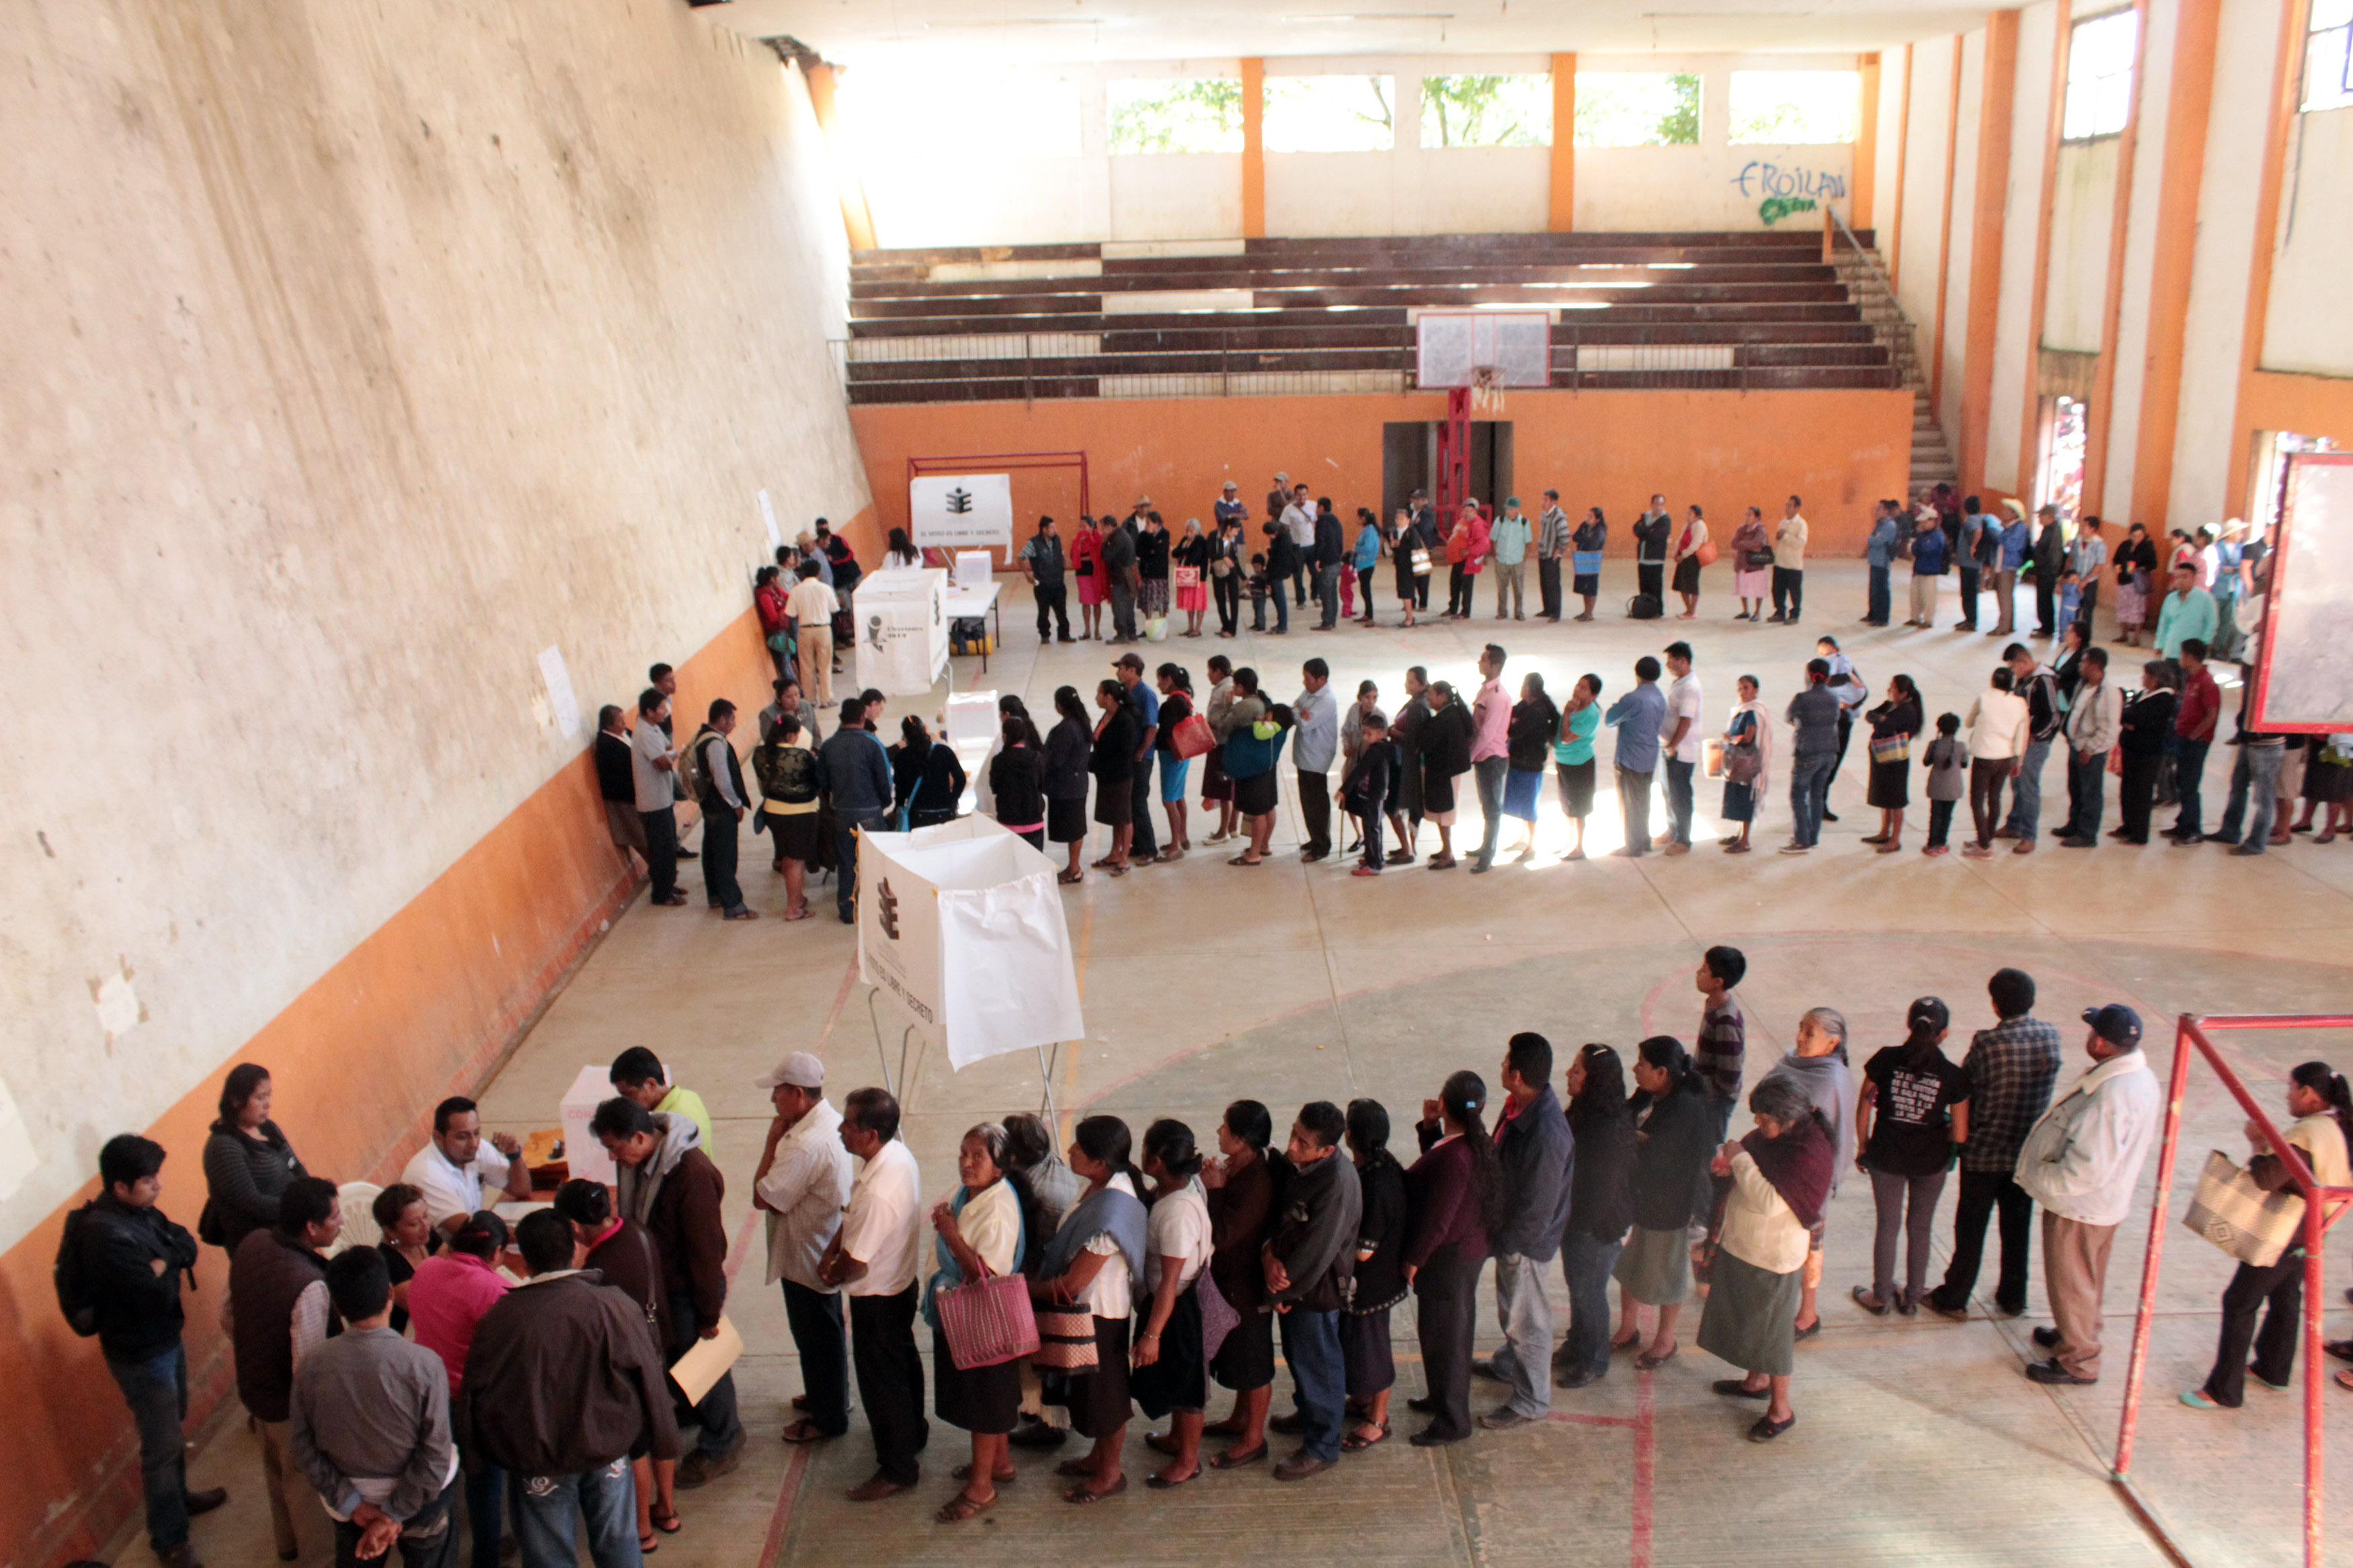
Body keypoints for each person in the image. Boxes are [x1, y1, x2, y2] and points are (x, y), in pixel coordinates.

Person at [456, 1210, 679, 1568]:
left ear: (524, 1262)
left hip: (537, 1459)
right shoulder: (614, 1307)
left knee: (548, 1554)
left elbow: (476, 1395)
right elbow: (650, 1377)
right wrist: (664, 1438)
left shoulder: (499, 1319)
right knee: (618, 1543)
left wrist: (478, 1457)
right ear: (576, 1250)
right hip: (606, 1449)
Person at [75, 1136, 224, 1568]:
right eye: (147, 1180)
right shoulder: (105, 1233)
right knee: (160, 1446)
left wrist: (164, 1261)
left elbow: (185, 1244)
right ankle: (169, 1540)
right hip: (141, 1355)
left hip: (164, 1341)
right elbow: (152, 1294)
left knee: (171, 1432)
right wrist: (164, 1265)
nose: (158, 1186)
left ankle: (178, 1501)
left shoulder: (138, 1213)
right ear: (120, 1188)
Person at [589, 1096, 742, 1487]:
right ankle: (692, 1411)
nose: (612, 1158)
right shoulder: (641, 1163)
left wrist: (709, 1313)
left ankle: (723, 1441)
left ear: (640, 1137)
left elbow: (706, 1252)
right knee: (675, 1356)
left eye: (614, 1148)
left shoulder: (690, 1174)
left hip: (691, 1287)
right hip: (662, 1285)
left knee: (704, 1365)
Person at [2183, 1063, 2353, 1409]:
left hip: (2286, 1234)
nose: (2286, 1095)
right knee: (2286, 1297)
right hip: (2314, 1231)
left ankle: (2223, 1390)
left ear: (2307, 1093)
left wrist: (2260, 1143)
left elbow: (2266, 1178)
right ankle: (2272, 1369)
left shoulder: (2307, 1136)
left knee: (2239, 1302)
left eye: (2291, 1089)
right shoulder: (2337, 1125)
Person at [2017, 1004, 2162, 1385]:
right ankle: (2075, 1333)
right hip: (2104, 1204)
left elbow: (2087, 1168)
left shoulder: (2112, 1096)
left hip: (2080, 1207)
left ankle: (2079, 1360)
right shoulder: (2138, 1078)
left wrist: (2045, 1177)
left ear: (2099, 1041)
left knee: (2072, 1281)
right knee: (2086, 1277)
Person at [288, 1249, 461, 1568]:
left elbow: (302, 1445)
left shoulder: (311, 1365)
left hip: (351, 1503)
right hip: (420, 1502)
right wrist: (393, 1514)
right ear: (390, 1294)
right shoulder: (424, 1364)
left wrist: (353, 1504)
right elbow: (435, 1453)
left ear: (337, 1305)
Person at [1921, 969, 2064, 1320]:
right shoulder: (2050, 1036)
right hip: (2025, 1152)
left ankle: (1955, 1296)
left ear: (1995, 1005)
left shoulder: (1987, 1043)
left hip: (1984, 1152)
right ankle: (2013, 1296)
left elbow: (1966, 1088)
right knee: (2017, 1227)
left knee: (1971, 1229)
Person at [1696, 1076, 1833, 1442]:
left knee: (1773, 1337)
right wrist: (1732, 1163)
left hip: (1774, 1257)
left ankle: (1781, 1409)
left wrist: (1739, 1159)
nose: (1758, 1125)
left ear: (1788, 1118)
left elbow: (1771, 1201)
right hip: (1745, 1247)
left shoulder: (1809, 1151)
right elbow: (1752, 1158)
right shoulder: (1777, 1137)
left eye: (1764, 1118)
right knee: (1750, 1322)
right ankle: (1756, 1381)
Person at [550, 1182, 676, 1551]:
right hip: (656, 1345)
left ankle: (641, 1531)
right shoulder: (635, 1230)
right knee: (661, 1428)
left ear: (574, 1228)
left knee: (635, 1444)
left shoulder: (601, 1267)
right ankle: (667, 1510)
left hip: (628, 1360)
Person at [1030, 1116, 1149, 1502]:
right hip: (1086, 1313)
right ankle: (1097, 1459)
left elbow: (1072, 1284)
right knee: (1092, 1394)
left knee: (1106, 1399)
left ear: (1100, 1162)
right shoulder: (1100, 1186)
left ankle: (1110, 1474)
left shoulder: (1112, 1211)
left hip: (1099, 1316)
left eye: (1078, 1148)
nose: (1069, 1151)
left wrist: (1023, 1289)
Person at [816, 1087, 928, 1500]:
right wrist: (833, 1247)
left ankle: (898, 1469)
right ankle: (913, 1433)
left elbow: (856, 1262)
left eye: (849, 1124)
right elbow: (854, 1222)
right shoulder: (896, 1156)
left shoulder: (880, 1189)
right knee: (904, 1367)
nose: (841, 1130)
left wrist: (831, 1272)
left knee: (883, 1386)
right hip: (899, 1284)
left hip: (877, 1298)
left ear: (871, 1135)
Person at [230, 1175, 344, 1563]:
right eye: (335, 1216)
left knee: (274, 1473)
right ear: (311, 1228)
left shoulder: (253, 1243)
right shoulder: (309, 1284)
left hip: (255, 1388)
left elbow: (228, 1315)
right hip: (288, 1405)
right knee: (307, 1490)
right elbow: (308, 1371)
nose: (341, 1222)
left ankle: (287, 1545)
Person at [750, 1054, 859, 1452]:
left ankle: (829, 1416)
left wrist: (770, 1142)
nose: (773, 1102)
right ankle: (827, 1396)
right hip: (820, 1246)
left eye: (777, 1093)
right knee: (823, 1333)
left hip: (807, 1256)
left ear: (797, 1094)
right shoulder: (828, 1122)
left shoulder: (804, 1145)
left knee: (816, 1339)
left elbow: (765, 1198)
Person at [923, 1123, 1025, 1522]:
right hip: (963, 1315)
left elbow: (986, 1275)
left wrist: (950, 1233)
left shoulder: (998, 1207)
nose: (966, 1163)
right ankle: (999, 1463)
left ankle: (981, 1489)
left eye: (978, 1156)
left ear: (999, 1166)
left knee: (985, 1404)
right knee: (983, 1398)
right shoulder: (969, 1193)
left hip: (984, 1316)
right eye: (963, 1153)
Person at [1477, 1034, 1575, 1428]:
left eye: (1505, 1062)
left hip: (1527, 1242)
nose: (1501, 1066)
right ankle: (1506, 1364)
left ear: (1516, 1075)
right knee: (1513, 1309)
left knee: (1528, 1322)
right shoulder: (1521, 1106)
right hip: (1512, 1235)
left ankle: (1532, 1400)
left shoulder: (1546, 1133)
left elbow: (1538, 1207)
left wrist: (1507, 1244)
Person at [1851, 999, 1972, 1315]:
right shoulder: (1952, 1076)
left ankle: (1880, 1296)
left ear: (1909, 1024)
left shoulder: (1885, 1060)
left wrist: (1863, 1147)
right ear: (1944, 1033)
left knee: (1887, 1226)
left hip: (1886, 1155)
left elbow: (1864, 1105)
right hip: (1930, 1162)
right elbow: (1960, 1135)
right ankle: (1913, 1297)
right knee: (1921, 1227)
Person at [1261, 1102, 1361, 1481]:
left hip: (1312, 1291)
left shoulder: (1336, 1183)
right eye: (1293, 1134)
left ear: (1327, 1151)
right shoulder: (1306, 1167)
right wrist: (1269, 1254)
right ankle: (1308, 1413)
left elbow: (1318, 1250)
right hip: (1293, 1286)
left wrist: (1282, 1291)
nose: (1291, 1147)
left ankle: (1322, 1446)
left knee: (1319, 1364)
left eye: (1303, 1143)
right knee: (1300, 1357)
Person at [407, 1213, 511, 1568]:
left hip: (427, 1395)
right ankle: (486, 1557)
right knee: (484, 1484)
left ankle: (441, 1553)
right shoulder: (491, 1289)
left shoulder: (426, 1270)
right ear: (496, 1253)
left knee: (439, 1480)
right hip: (471, 1401)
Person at [1404, 1071, 1502, 1447]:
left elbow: (1439, 1218)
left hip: (1449, 1259)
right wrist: (1430, 1129)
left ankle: (1452, 1419)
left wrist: (1415, 1258)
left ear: (1443, 1103)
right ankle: (1439, 1398)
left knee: (1447, 1337)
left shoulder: (1455, 1157)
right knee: (1444, 1333)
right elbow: (1439, 1163)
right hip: (1467, 1251)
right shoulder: (1474, 1145)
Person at [1613, 1038, 1715, 1369]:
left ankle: (1665, 1340)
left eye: (1642, 1063)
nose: (1635, 1068)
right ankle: (1629, 1329)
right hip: (1644, 1199)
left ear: (1661, 1072)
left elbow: (1659, 1154)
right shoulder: (1651, 1095)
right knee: (1630, 1266)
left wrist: (1635, 1139)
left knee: (1669, 1275)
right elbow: (1629, 1124)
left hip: (1672, 1206)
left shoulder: (1685, 1108)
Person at [1758, 1008, 1855, 1337]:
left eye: (1809, 1032)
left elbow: (1822, 1137)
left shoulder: (1831, 1079)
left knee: (1807, 1243)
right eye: (1800, 1028)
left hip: (1806, 1175)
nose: (1800, 1037)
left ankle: (1806, 1313)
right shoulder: (1789, 1062)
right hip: (1773, 1164)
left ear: (1832, 1044)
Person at [1130, 1119, 1213, 1489]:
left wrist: (1152, 1334)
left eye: (1146, 1148)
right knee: (1178, 1379)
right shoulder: (1176, 1186)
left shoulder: (1178, 1213)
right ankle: (1178, 1438)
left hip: (1177, 1306)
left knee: (1187, 1383)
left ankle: (1188, 1460)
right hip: (1171, 1302)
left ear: (1158, 1160)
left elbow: (1169, 1282)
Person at [1550, 1047, 1636, 1391]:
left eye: (1577, 1070)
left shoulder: (1606, 1127)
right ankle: (1577, 1343)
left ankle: (1594, 1358)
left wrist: (1578, 1227)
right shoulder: (1589, 1111)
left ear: (1594, 1080)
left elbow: (1600, 1189)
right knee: (1579, 1287)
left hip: (1595, 1227)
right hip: (1580, 1222)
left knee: (1589, 1293)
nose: (1569, 1075)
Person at [1200, 1101, 1277, 1468]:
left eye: (1225, 1128)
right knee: (1243, 1359)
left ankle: (1253, 1439)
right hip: (1232, 1285)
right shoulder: (1241, 1168)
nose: (1219, 1133)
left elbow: (1224, 1234)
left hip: (1249, 1288)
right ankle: (1239, 1419)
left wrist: (1215, 1191)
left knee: (1256, 1363)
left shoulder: (1257, 1182)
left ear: (1243, 1139)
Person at [1340, 1101, 1408, 1447]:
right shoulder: (1378, 1166)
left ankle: (1378, 1418)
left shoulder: (1377, 1182)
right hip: (1372, 1279)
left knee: (1373, 1349)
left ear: (1350, 1135)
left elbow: (1364, 1249)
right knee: (1361, 1345)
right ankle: (1363, 1400)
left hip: (1373, 1283)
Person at [201, 1063, 307, 1261]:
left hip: (291, 1229)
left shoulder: (267, 1128)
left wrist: (309, 1195)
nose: (267, 1104)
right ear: (236, 1101)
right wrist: (297, 1209)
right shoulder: (223, 1148)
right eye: (260, 1098)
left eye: (269, 1096)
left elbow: (294, 1165)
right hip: (260, 1246)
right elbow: (251, 1203)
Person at [401, 1099, 530, 1237]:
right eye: (462, 1137)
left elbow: (521, 1190)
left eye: (476, 1133)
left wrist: (514, 1154)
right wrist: (528, 1235)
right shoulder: (426, 1174)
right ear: (439, 1137)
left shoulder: (478, 1149)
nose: (473, 1144)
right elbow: (471, 1232)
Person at [818, 696, 893, 924]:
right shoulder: (872, 744)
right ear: (863, 717)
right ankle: (875, 907)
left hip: (842, 812)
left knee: (847, 861)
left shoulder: (829, 746)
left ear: (841, 718)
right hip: (870, 810)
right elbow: (885, 781)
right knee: (873, 861)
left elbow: (822, 781)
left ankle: (847, 909)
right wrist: (881, 803)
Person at [751, 713, 822, 917]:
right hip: (802, 813)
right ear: (791, 736)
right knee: (797, 860)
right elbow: (817, 782)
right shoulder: (802, 756)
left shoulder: (760, 754)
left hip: (773, 812)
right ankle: (793, 907)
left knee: (786, 857)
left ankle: (796, 898)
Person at [2054, 647, 2120, 848]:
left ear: (2095, 666)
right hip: (2077, 746)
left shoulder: (2109, 693)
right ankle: (2074, 824)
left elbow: (2110, 729)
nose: (2080, 665)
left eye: (2084, 662)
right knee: (2075, 789)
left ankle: (2087, 833)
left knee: (2090, 792)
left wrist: (2090, 749)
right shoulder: (2082, 684)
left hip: (2091, 753)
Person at [1960, 667, 2028, 857]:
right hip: (2006, 757)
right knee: (1995, 798)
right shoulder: (2020, 702)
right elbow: (2022, 734)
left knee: (1977, 800)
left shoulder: (1984, 699)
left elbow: (1968, 723)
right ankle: (1986, 838)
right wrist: (2019, 759)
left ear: (1993, 681)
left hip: (1984, 756)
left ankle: (1984, 845)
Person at [629, 689, 686, 908]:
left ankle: (668, 885)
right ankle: (662, 894)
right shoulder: (644, 734)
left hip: (662, 798)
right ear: (650, 711)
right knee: (661, 849)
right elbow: (663, 762)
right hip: (653, 803)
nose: (666, 711)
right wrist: (670, 756)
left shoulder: (653, 728)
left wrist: (669, 755)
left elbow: (669, 752)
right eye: (662, 708)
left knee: (668, 845)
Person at [1605, 657, 1667, 858]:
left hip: (1630, 757)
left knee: (1629, 803)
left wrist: (1617, 705)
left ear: (1637, 673)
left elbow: (1610, 719)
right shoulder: (1659, 696)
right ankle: (1643, 840)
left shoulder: (1634, 698)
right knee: (1643, 800)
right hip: (1649, 755)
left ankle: (1632, 846)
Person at [2112, 660, 2178, 843]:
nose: (2144, 678)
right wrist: (2129, 720)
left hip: (2147, 752)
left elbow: (2137, 717)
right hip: (2132, 748)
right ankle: (2128, 825)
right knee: (2128, 789)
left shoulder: (2164, 698)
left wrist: (2131, 720)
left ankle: (2139, 833)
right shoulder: (2144, 694)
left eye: (2147, 675)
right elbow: (2125, 714)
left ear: (2156, 678)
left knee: (2141, 792)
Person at [1494, 673, 1556, 864]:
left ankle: (1532, 845)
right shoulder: (1526, 705)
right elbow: (1512, 714)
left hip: (1530, 764)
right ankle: (1523, 839)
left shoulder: (1536, 711)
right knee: (1522, 803)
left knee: (1529, 805)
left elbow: (1515, 731)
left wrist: (1507, 726)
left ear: (1529, 688)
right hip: (1520, 761)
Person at [1783, 659, 1841, 854]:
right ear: (1829, 677)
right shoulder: (1834, 698)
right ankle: (1813, 836)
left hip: (1808, 752)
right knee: (1817, 795)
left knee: (1798, 795)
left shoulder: (1802, 698)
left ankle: (1801, 839)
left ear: (1809, 674)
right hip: (1829, 752)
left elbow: (1788, 716)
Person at [1692, 946, 1749, 1143]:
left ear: (1718, 982)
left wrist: (1697, 1086)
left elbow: (1728, 1079)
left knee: (1709, 1146)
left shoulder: (1726, 1021)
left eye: (1705, 970)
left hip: (1716, 1101)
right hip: (1706, 1092)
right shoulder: (1713, 1004)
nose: (1698, 973)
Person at [609, 1047, 713, 1153]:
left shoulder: (670, 1124)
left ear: (650, 1084)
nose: (627, 1102)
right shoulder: (689, 1096)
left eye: (629, 1094)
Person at [1415, 679, 1472, 869]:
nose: (1428, 698)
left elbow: (1425, 743)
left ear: (1442, 697)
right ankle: (1445, 849)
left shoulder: (1445, 718)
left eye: (1431, 694)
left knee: (1445, 815)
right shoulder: (1452, 713)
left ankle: (1448, 855)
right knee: (1442, 814)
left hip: (1446, 773)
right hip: (1447, 772)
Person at [2168, 638, 2221, 843]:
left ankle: (2193, 829)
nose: (2180, 659)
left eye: (2182, 655)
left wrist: (2194, 735)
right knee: (2181, 782)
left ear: (2190, 657)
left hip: (2195, 742)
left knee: (2190, 785)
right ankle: (2183, 823)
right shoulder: (2191, 679)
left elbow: (2211, 714)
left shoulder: (2207, 682)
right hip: (2183, 738)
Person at [1863, 674, 1923, 853]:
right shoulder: (1891, 704)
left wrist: (1881, 721)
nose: (1889, 691)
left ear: (1904, 693)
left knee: (1896, 801)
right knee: (1884, 797)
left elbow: (1885, 726)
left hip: (1896, 760)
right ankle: (1884, 832)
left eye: (1893, 688)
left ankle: (1895, 839)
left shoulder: (1907, 711)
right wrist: (1880, 720)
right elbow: (1871, 716)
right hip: (1884, 756)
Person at [1467, 645, 1513, 872]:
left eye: (1483, 659)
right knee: (1487, 805)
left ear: (1494, 665)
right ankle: (1485, 846)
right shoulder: (1486, 690)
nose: (1479, 662)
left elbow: (1487, 732)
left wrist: (1470, 755)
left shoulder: (1497, 696)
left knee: (1493, 808)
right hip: (1484, 758)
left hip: (1492, 759)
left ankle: (1488, 855)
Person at [1042, 686, 1092, 884]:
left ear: (1059, 706)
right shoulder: (1082, 723)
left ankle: (1074, 869)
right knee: (1077, 827)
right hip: (1078, 784)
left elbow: (1056, 759)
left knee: (1074, 829)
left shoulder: (1066, 729)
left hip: (1066, 787)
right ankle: (1074, 866)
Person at [1657, 642, 1704, 854]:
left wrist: (1673, 745)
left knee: (1680, 796)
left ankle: (1683, 840)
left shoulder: (1690, 688)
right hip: (1671, 749)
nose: (1667, 665)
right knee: (1669, 792)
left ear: (1683, 661)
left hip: (1681, 752)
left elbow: (1686, 721)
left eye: (1671, 660)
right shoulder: (1681, 683)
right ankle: (1673, 830)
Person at [1088, 678, 1138, 874]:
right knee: (1115, 816)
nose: (1096, 698)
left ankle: (1123, 859)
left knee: (1124, 817)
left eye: (1099, 693)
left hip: (1120, 775)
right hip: (1106, 774)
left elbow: (1123, 752)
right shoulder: (1107, 715)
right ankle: (1114, 853)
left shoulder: (1124, 720)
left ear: (1109, 697)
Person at [1339, 709, 1397, 876]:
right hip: (1377, 794)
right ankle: (1375, 856)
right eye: (1364, 733)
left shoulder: (1375, 751)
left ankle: (1374, 864)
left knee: (1371, 827)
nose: (1365, 738)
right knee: (1374, 826)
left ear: (1380, 733)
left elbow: (1360, 771)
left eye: (1368, 734)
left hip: (1374, 795)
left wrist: (1344, 789)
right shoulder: (1387, 748)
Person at [1554, 673, 1603, 860]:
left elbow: (1566, 738)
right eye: (1578, 685)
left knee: (1579, 807)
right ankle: (1570, 842)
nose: (1577, 690)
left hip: (1579, 764)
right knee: (1567, 804)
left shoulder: (1591, 715)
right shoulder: (1575, 706)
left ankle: (1579, 847)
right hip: (1564, 762)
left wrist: (1566, 713)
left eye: (1584, 688)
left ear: (1593, 696)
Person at [1718, 675, 1769, 854]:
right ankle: (1739, 834)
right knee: (1737, 798)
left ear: (1755, 690)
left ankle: (1745, 841)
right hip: (1738, 763)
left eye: (1746, 688)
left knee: (1745, 799)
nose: (1742, 691)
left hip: (1746, 765)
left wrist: (1730, 738)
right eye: (1739, 687)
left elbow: (1748, 737)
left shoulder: (1753, 712)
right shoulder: (1742, 709)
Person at [1294, 657, 1339, 862]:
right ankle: (1315, 838)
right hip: (1305, 756)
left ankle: (1322, 845)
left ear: (1321, 680)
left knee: (1317, 803)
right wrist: (1298, 712)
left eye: (1308, 678)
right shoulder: (1310, 692)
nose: (1304, 683)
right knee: (1307, 800)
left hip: (1316, 759)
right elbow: (1295, 707)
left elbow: (1305, 725)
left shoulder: (1327, 700)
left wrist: (1299, 713)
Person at [595, 706, 649, 868]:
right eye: (620, 721)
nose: (624, 724)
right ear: (609, 725)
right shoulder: (608, 746)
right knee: (641, 837)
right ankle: (659, 876)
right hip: (625, 797)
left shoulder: (625, 734)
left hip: (638, 794)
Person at [371, 1185, 430, 1334]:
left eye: (426, 1216)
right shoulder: (387, 1263)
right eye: (413, 1224)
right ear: (390, 1231)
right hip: (406, 1333)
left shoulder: (425, 1235)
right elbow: (423, 1307)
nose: (425, 1226)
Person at [988, 712, 1047, 851]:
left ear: (1005, 736)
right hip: (1034, 822)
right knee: (1034, 867)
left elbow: (994, 788)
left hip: (1009, 823)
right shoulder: (1036, 759)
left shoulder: (999, 761)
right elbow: (1042, 786)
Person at [785, 561, 841, 706]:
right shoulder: (825, 588)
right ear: (818, 573)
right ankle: (826, 699)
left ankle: (810, 700)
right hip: (823, 629)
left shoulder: (796, 590)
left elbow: (790, 613)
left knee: (806, 667)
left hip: (804, 630)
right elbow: (834, 608)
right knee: (825, 666)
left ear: (803, 573)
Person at [1920, 712, 1969, 855]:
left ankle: (1931, 844)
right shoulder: (1961, 746)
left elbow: (1926, 762)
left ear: (1939, 728)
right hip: (1954, 787)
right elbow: (1965, 764)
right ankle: (1942, 842)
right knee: (1947, 815)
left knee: (1935, 815)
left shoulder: (1934, 744)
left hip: (1936, 786)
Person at [1019, 515, 1073, 643]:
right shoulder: (1033, 543)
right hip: (1043, 585)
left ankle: (1064, 635)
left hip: (1058, 583)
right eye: (1052, 527)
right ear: (1044, 529)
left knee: (1062, 611)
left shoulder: (1057, 540)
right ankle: (1045, 635)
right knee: (1043, 612)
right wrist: (1027, 574)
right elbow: (1021, 558)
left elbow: (1061, 556)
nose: (1055, 530)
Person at [1961, 495, 2002, 631]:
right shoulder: (1979, 518)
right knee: (1969, 591)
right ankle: (1969, 619)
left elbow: (1978, 532)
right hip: (1970, 562)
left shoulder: (1972, 519)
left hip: (1970, 563)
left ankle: (1971, 621)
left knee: (1969, 592)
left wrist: (1973, 547)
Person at [1767, 495, 1808, 623]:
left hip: (1793, 564)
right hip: (1780, 562)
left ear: (1797, 508)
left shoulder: (1801, 524)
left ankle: (1794, 615)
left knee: (1795, 591)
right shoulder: (1783, 522)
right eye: (1787, 505)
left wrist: (1785, 536)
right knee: (1777, 589)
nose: (1787, 508)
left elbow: (1801, 542)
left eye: (1790, 505)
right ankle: (1780, 612)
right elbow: (1779, 538)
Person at [1101, 511, 1140, 643]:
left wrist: (1105, 542)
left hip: (1121, 577)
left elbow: (1107, 557)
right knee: (1128, 606)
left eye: (1103, 528)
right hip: (1131, 575)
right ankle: (1131, 632)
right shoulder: (1123, 534)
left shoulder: (1116, 538)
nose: (1102, 531)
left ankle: (1122, 634)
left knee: (1119, 606)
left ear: (1108, 527)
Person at [1904, 506, 1948, 626]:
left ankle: (1928, 620)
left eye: (1925, 521)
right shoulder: (1921, 535)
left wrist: (1921, 542)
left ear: (1933, 521)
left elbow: (1929, 549)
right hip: (1918, 570)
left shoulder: (1938, 536)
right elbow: (1914, 550)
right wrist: (1920, 538)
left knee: (1928, 598)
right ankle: (1915, 618)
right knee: (1915, 597)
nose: (1922, 524)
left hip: (1930, 571)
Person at [1488, 497, 1530, 620]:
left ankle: (1519, 612)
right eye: (1507, 508)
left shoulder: (1524, 523)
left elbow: (1528, 543)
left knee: (1518, 589)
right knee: (1501, 588)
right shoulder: (1499, 521)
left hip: (1517, 561)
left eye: (1511, 509)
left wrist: (1524, 559)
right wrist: (1496, 556)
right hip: (1502, 560)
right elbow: (1493, 539)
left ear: (1518, 509)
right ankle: (1502, 612)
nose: (1509, 511)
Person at [1862, 498, 1901, 626]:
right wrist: (1872, 539)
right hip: (1874, 560)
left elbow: (1877, 541)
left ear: (1886, 511)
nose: (1876, 511)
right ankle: (1873, 614)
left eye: (1878, 509)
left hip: (1882, 562)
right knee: (1873, 590)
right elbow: (1874, 539)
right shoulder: (1879, 524)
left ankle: (1882, 618)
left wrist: (1871, 539)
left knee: (1882, 590)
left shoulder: (1889, 526)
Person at [1728, 506, 1771, 622]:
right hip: (1742, 563)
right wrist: (1749, 545)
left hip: (1756, 564)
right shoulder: (1741, 529)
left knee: (1758, 589)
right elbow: (1734, 543)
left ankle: (1757, 612)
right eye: (1746, 514)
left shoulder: (1761, 530)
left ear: (1757, 518)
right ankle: (1746, 611)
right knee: (1742, 586)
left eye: (1750, 515)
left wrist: (1743, 544)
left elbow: (1758, 543)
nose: (1747, 517)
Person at [2030, 505, 2067, 638]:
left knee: (2045, 600)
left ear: (2050, 517)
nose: (2039, 518)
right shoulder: (2048, 530)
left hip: (2047, 572)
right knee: (2042, 599)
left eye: (2041, 516)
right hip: (2044, 571)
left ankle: (2047, 629)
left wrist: (2039, 568)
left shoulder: (2054, 532)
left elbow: (2052, 555)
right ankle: (2044, 626)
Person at [1172, 517, 1212, 637]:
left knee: (1199, 603)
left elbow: (1194, 557)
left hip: (1199, 577)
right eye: (1187, 530)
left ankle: (1197, 628)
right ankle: (1190, 627)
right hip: (1187, 576)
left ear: (1197, 530)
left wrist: (1184, 550)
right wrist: (1185, 549)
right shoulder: (1185, 540)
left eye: (1191, 530)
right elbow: (1175, 553)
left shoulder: (1200, 541)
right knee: (1190, 603)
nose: (1188, 533)